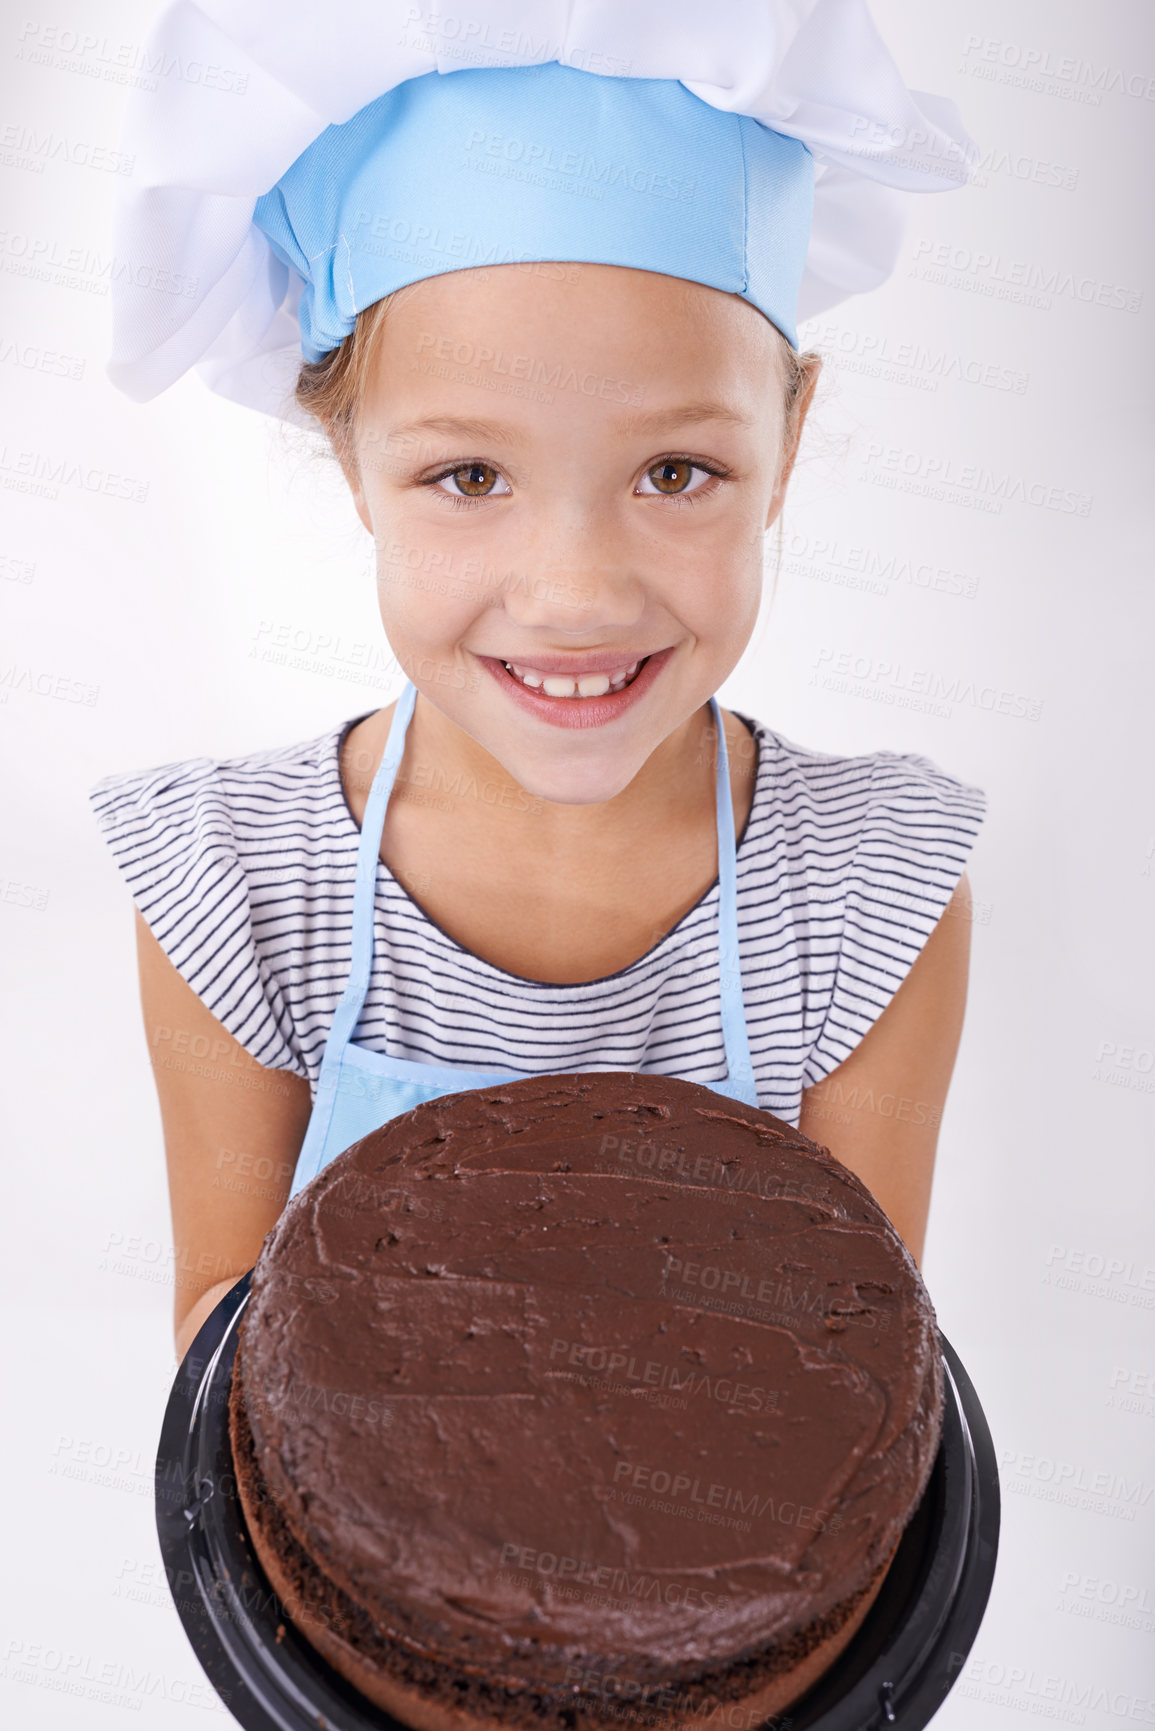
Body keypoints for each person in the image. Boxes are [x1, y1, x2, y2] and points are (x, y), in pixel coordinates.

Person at [90, 1, 986, 1359]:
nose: (574, 593)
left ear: (786, 446)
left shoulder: (870, 892)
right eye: (469, 476)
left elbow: (854, 1378)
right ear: (350, 464)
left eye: (676, 472)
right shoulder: (234, 883)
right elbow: (231, 1361)